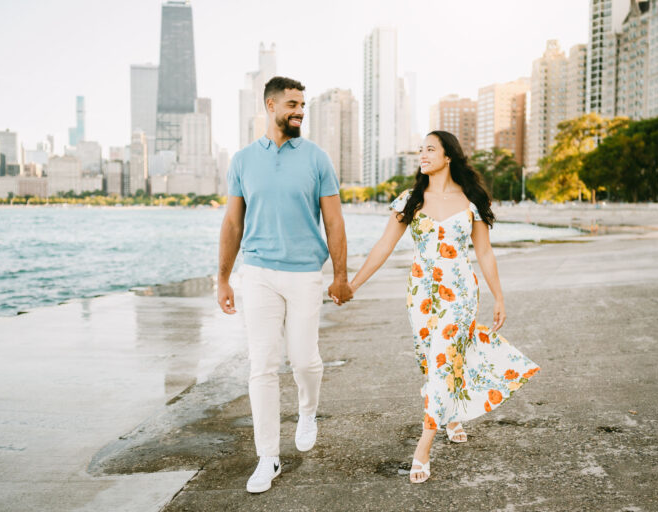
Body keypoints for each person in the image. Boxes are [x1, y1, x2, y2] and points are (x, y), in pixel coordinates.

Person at [349, 130, 540, 483]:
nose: (423, 154)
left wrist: (499, 296)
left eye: (430, 149)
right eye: (420, 149)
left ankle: (423, 446)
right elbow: (383, 246)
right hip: (421, 294)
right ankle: (449, 412)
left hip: (460, 294)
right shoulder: (410, 200)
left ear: (448, 156)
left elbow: (483, 252)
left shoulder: (470, 201)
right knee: (431, 360)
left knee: (442, 358)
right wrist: (353, 284)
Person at [217, 76, 354, 493]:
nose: (299, 111)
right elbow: (233, 223)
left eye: (303, 105)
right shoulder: (242, 160)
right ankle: (268, 457)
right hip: (256, 274)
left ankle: (308, 411)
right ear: (271, 105)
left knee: (305, 360)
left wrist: (341, 275)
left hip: (304, 274)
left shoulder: (316, 158)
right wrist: (223, 277)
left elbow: (333, 220)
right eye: (292, 104)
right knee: (262, 364)